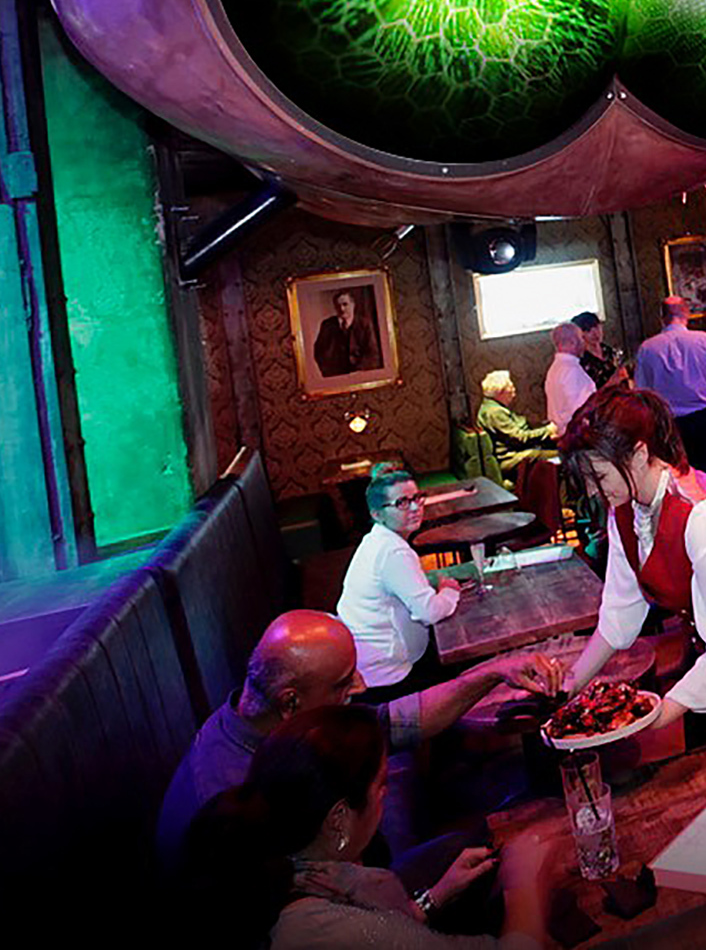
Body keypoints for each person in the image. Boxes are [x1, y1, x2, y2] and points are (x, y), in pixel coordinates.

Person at [538, 390, 706, 757]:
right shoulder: (624, 508)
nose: (592, 491)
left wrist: (637, 719)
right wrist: (572, 685)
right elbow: (620, 613)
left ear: (639, 454)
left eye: (599, 476)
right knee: (705, 762)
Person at [157, 611, 544, 868]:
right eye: (345, 681)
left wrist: (494, 671)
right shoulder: (228, 801)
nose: (360, 686)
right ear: (290, 701)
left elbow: (400, 720)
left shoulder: (284, 724)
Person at [181, 705, 554, 949]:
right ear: (338, 819)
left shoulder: (297, 866)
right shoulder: (319, 929)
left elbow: (388, 929)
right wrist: (523, 881)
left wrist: (434, 897)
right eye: (380, 784)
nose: (386, 794)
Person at [337, 464, 460, 702]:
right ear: (377, 514)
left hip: (365, 662)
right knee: (462, 677)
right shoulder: (393, 552)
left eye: (417, 498)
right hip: (386, 675)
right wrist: (449, 591)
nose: (415, 508)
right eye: (402, 503)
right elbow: (429, 612)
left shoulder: (377, 539)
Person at [633, 295, 706, 471]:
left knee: (680, 476)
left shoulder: (647, 348)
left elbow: (641, 390)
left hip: (669, 425)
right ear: (687, 313)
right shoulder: (705, 340)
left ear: (662, 317)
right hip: (704, 418)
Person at [472, 371, 557, 478]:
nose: (514, 389)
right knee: (557, 454)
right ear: (500, 391)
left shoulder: (491, 406)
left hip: (511, 451)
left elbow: (519, 424)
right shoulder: (495, 412)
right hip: (508, 459)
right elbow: (519, 438)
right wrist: (548, 430)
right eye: (510, 387)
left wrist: (542, 427)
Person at [543, 321, 597, 433]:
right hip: (577, 435)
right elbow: (581, 412)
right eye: (581, 338)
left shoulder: (554, 369)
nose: (584, 343)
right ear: (572, 342)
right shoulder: (571, 371)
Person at [314, 290, 381, 377]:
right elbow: (319, 351)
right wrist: (329, 372)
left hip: (359, 373)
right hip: (336, 375)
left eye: (345, 304)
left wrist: (360, 371)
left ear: (353, 305)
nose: (341, 309)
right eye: (338, 306)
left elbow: (373, 353)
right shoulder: (327, 325)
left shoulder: (364, 324)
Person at [570, 311, 621, 389]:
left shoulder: (610, 351)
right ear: (580, 334)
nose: (595, 333)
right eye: (588, 330)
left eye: (597, 327)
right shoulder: (580, 362)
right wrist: (610, 383)